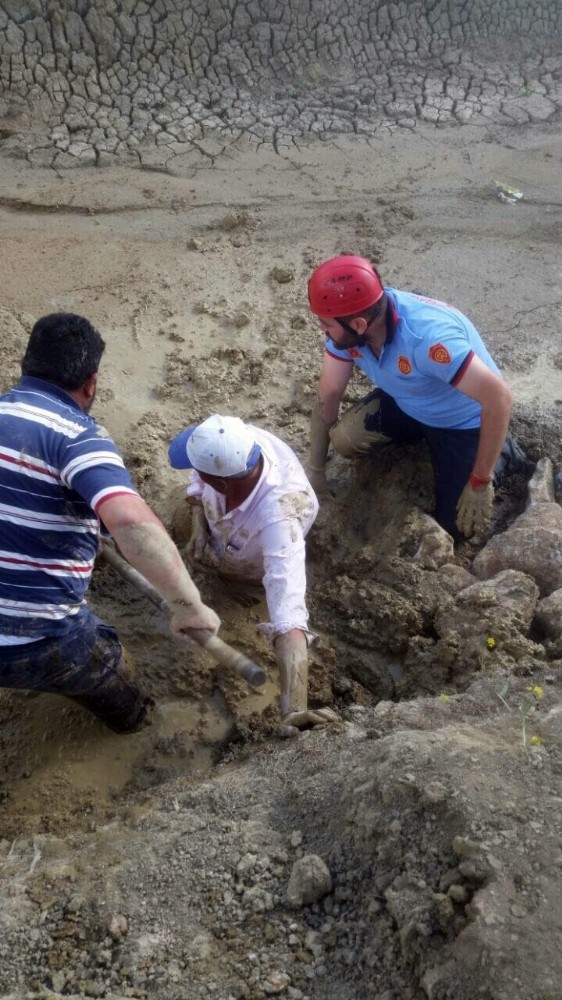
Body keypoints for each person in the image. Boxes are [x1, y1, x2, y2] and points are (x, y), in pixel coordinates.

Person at [0, 313, 220, 733]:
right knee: (118, 685)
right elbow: (131, 525)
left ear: (24, 366)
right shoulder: (77, 438)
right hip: (41, 643)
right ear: (91, 383)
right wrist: (187, 606)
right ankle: (133, 724)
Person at [306, 254, 530, 540]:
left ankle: (503, 454)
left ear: (359, 325)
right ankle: (423, 440)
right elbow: (330, 394)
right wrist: (316, 470)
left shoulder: (428, 339)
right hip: (409, 401)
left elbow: (499, 398)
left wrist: (479, 482)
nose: (322, 329)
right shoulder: (349, 329)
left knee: (457, 528)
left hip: (462, 422)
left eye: (326, 324)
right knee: (345, 441)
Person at [168, 413, 336, 735]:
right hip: (221, 523)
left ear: (223, 483)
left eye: (204, 474)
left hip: (251, 557)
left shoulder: (280, 520)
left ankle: (235, 581)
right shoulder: (235, 443)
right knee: (178, 510)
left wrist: (296, 709)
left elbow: (288, 615)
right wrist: (199, 525)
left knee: (246, 581)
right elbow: (198, 481)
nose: (197, 474)